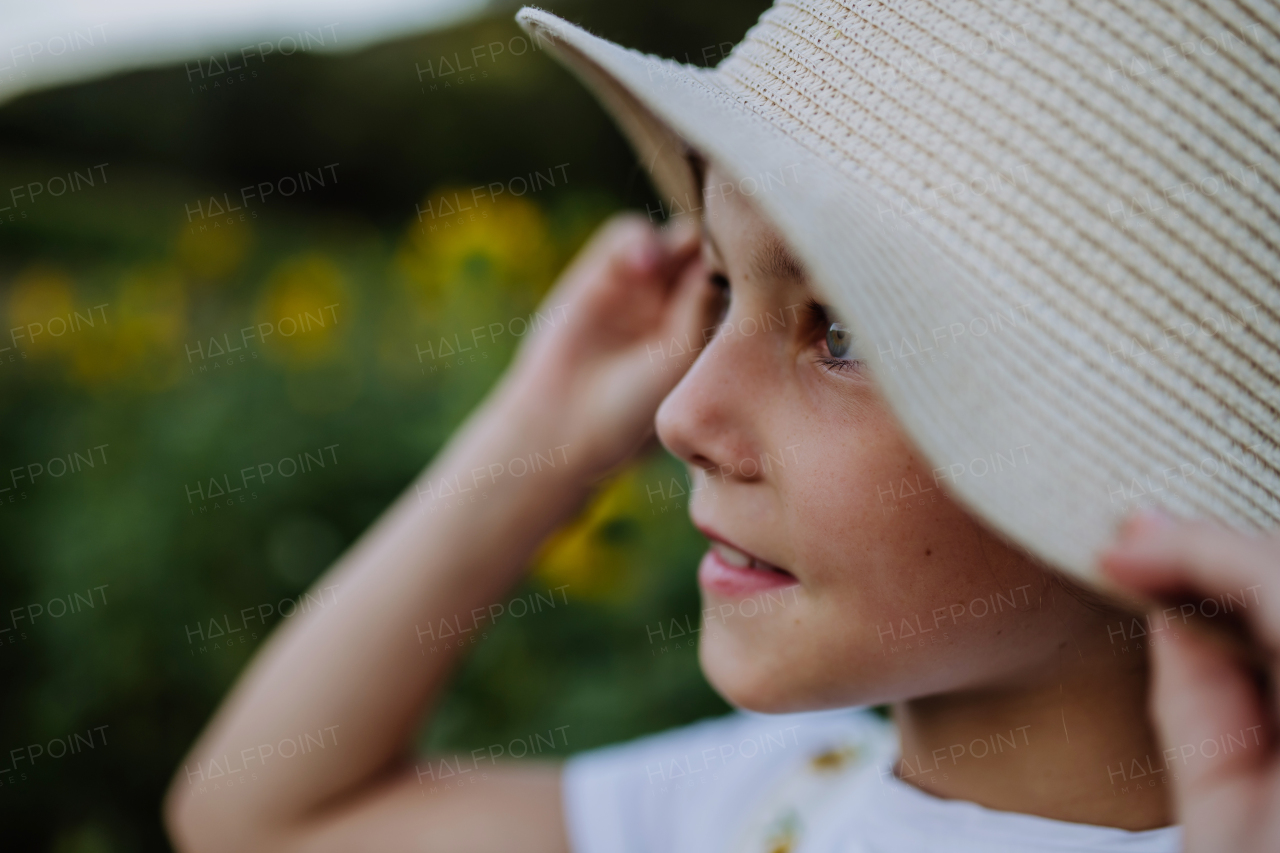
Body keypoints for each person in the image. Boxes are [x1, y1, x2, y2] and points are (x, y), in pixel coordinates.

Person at [165, 3, 1280, 851]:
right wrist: (539, 428)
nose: (679, 410)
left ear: (1146, 460)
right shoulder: (775, 792)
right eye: (715, 286)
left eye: (838, 330)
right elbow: (261, 817)